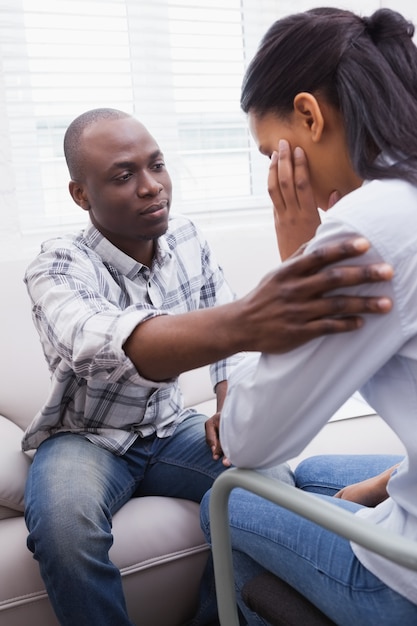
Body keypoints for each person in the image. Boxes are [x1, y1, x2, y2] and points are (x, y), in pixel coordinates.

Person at [22, 107, 392, 626]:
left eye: (157, 165)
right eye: (124, 176)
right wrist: (251, 320)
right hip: (86, 436)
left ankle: (213, 617)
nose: (152, 187)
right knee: (62, 529)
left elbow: (226, 333)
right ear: (81, 194)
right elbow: (93, 341)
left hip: (172, 427)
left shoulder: (188, 240)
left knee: (267, 483)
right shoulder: (58, 263)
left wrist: (227, 400)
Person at [200, 6, 417, 625]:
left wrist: (296, 259)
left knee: (227, 498)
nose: (283, 179)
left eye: (276, 154)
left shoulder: (370, 226)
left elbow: (248, 438)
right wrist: (383, 486)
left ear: (309, 115)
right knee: (318, 473)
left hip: (408, 578)